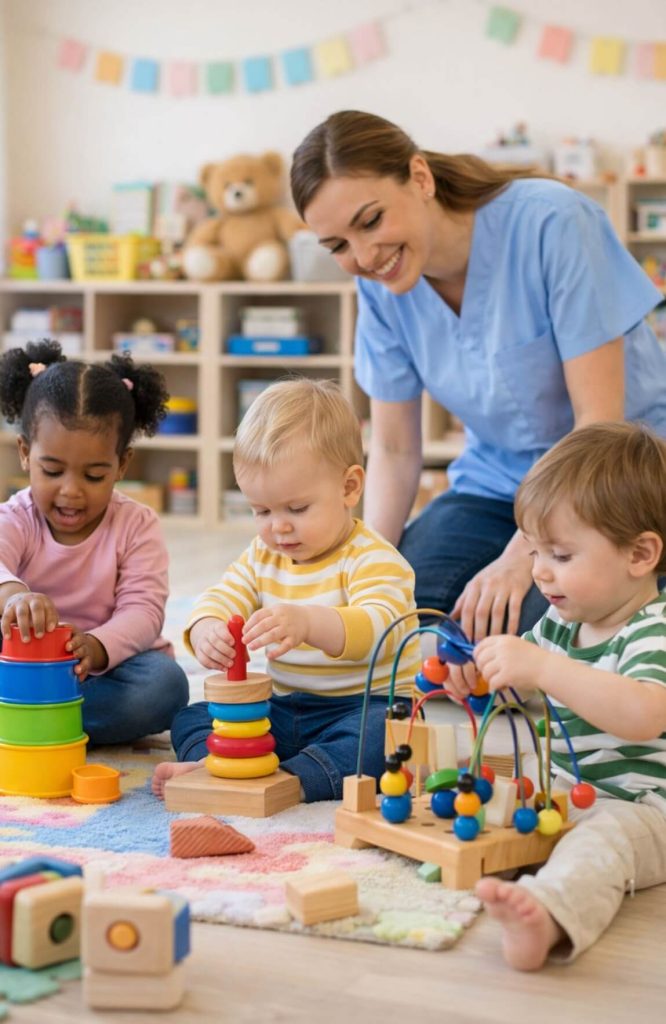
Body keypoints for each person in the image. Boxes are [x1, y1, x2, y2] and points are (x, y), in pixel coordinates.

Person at [290, 110, 666, 671]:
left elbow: (599, 424)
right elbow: (394, 449)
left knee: (535, 634)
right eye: (337, 244)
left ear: (419, 178)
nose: (364, 258)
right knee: (404, 623)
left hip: (615, 477)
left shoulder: (552, 224)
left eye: (370, 221)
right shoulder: (380, 289)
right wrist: (365, 573)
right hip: (497, 483)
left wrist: (526, 556)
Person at [452, 421, 666, 971]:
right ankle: (460, 868)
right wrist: (483, 679)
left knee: (602, 845)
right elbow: (523, 683)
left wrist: (544, 667)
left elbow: (643, 713)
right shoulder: (562, 620)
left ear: (640, 554)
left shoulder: (654, 630)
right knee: (490, 786)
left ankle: (548, 918)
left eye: (562, 556)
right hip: (572, 788)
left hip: (645, 809)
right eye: (536, 552)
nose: (541, 572)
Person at [152, 377, 421, 802]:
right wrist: (207, 628)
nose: (277, 526)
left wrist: (310, 622)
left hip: (361, 708)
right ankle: (215, 764)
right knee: (191, 716)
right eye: (261, 510)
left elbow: (379, 629)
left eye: (297, 509)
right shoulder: (264, 554)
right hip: (285, 707)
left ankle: (291, 780)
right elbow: (224, 594)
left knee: (385, 741)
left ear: (349, 487)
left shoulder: (374, 558)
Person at [0, 339, 189, 745]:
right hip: (24, 665)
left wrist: (99, 647)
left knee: (166, 686)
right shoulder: (17, 517)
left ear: (122, 464)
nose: (70, 492)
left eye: (93, 476)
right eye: (52, 471)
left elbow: (143, 612)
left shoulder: (137, 526)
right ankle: (40, 715)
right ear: (25, 454)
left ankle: (31, 719)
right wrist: (13, 594)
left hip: (106, 671)